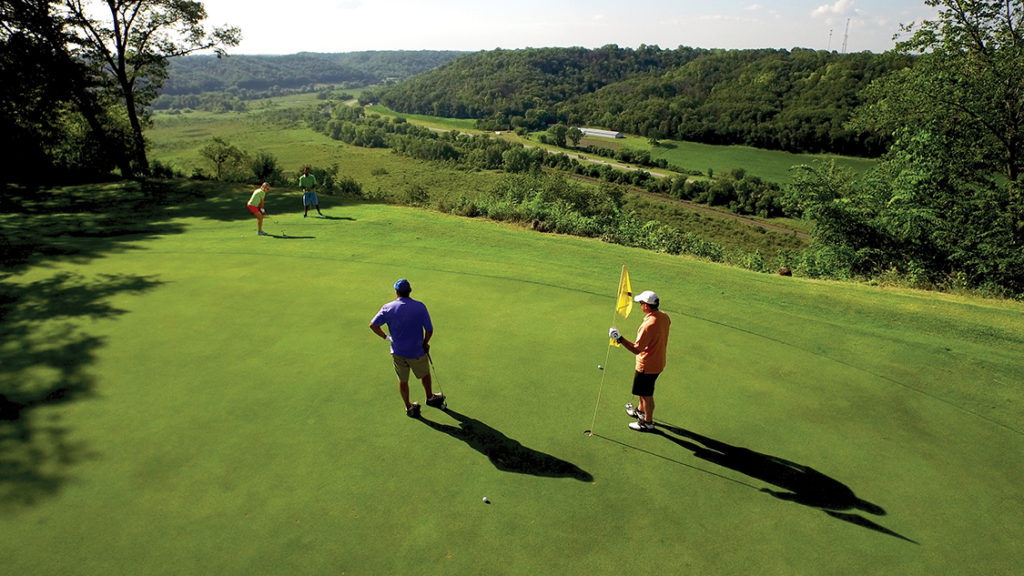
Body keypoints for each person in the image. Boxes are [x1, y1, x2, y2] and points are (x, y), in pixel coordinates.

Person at [369, 278, 445, 417]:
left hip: (397, 352)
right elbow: (429, 330)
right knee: (425, 374)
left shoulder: (387, 307)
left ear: (397, 292)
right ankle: (429, 397)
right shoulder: (420, 306)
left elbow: (373, 325)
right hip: (416, 351)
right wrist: (425, 343)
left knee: (403, 380)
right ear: (409, 291)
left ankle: (409, 407)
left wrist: (386, 337)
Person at [609, 290, 671, 431]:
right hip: (658, 362)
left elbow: (637, 349)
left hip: (647, 366)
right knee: (642, 392)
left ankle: (646, 423)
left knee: (646, 394)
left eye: (641, 303)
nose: (640, 305)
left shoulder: (647, 326)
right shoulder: (664, 316)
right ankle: (640, 412)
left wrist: (619, 338)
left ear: (647, 306)